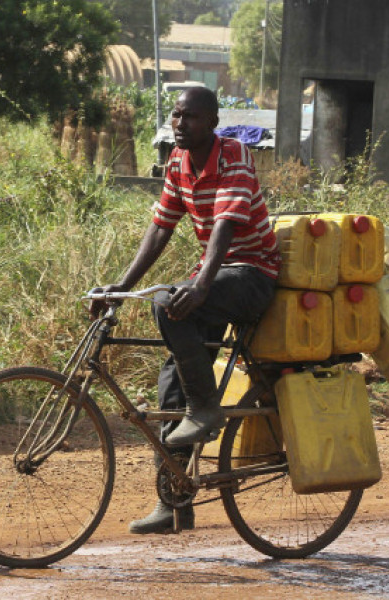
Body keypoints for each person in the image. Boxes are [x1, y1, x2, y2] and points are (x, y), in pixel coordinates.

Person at [89, 87, 280, 534]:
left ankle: (206, 409)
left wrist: (200, 284)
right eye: (176, 115)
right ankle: (174, 503)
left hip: (252, 275)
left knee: (166, 301)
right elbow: (161, 228)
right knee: (172, 382)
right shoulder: (178, 161)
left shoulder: (233, 154)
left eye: (190, 117)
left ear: (212, 121)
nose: (180, 123)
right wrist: (120, 286)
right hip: (215, 278)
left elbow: (226, 227)